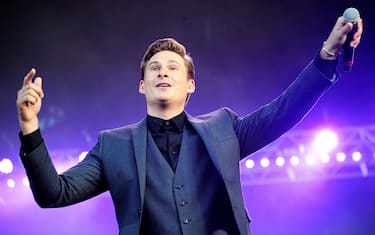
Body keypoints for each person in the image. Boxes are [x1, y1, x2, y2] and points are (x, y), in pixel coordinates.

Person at [16, 15, 362, 235]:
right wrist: (30, 125)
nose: (162, 71)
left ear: (190, 85)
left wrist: (327, 55)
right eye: (154, 68)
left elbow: (282, 112)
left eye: (172, 67)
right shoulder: (113, 146)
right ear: (142, 85)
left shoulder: (224, 127)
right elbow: (53, 193)